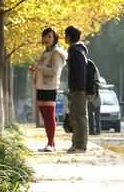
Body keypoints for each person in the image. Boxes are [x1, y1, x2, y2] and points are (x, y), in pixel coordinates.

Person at [30, 27, 67, 152]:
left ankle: (51, 144)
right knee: (44, 116)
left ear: (55, 38)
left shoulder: (56, 53)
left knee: (49, 115)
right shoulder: (45, 52)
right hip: (41, 86)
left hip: (49, 86)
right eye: (45, 36)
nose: (46, 39)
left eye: (49, 37)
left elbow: (54, 71)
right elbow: (42, 68)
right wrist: (35, 69)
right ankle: (51, 142)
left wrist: (39, 67)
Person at [65, 25, 89, 153]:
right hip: (77, 89)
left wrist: (77, 89)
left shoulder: (76, 51)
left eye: (65, 35)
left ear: (69, 37)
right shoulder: (76, 50)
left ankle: (80, 145)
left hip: (78, 89)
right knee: (76, 116)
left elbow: (79, 73)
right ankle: (76, 144)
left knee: (79, 117)